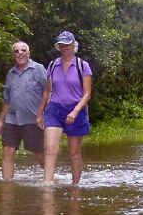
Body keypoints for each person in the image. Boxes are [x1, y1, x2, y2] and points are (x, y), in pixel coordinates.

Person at [36, 31, 92, 185]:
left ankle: (75, 186)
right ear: (58, 46)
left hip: (77, 109)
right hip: (54, 109)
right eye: (62, 45)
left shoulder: (83, 66)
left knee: (73, 153)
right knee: (50, 148)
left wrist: (75, 112)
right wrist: (40, 113)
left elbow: (87, 94)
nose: (65, 47)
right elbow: (47, 91)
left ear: (74, 45)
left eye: (68, 44)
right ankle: (48, 183)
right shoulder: (53, 65)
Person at [0, 41, 47, 180]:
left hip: (33, 119)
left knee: (39, 153)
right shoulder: (10, 73)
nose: (20, 53)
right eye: (16, 51)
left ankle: (50, 178)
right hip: (12, 119)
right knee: (8, 151)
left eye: (23, 50)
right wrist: (0, 121)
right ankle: (7, 186)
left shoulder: (39, 69)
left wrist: (43, 114)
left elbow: (49, 92)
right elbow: (7, 100)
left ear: (29, 53)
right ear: (13, 55)